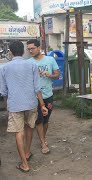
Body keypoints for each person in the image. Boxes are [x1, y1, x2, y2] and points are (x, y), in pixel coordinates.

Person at [0, 41, 48, 172]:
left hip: (15, 105)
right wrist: (42, 105)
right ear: (23, 51)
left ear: (10, 52)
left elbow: (3, 91)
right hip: (31, 103)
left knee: (18, 132)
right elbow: (37, 87)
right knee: (29, 127)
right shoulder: (32, 65)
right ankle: (27, 152)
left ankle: (25, 163)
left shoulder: (4, 68)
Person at [27, 39, 59, 154]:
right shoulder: (29, 63)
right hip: (34, 97)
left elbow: (57, 75)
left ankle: (43, 138)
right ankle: (42, 142)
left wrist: (49, 75)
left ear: (39, 48)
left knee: (46, 120)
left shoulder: (50, 60)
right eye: (29, 49)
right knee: (38, 120)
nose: (30, 51)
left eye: (32, 48)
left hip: (48, 95)